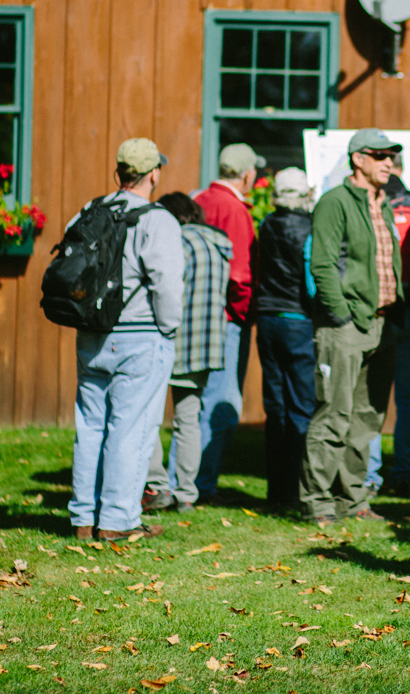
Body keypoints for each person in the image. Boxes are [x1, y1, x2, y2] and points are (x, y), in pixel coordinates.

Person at [68, 138, 182, 540]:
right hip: (141, 336)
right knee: (130, 430)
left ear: (118, 173)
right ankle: (117, 522)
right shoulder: (158, 219)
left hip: (92, 336)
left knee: (91, 428)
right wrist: (168, 328)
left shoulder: (88, 212)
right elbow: (167, 285)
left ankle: (83, 518)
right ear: (154, 173)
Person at [300, 128, 403, 524]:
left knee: (366, 418)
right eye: (380, 155)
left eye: (391, 156)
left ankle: (352, 499)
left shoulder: (385, 204)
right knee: (334, 412)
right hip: (345, 325)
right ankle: (317, 500)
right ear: (358, 159)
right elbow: (322, 264)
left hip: (381, 323)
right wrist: (340, 313)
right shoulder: (334, 202)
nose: (388, 162)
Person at [141, 191, 233, 514]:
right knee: (188, 419)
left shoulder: (177, 242)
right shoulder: (219, 245)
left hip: (170, 338)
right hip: (205, 346)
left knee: (147, 416)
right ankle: (187, 493)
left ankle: (156, 486)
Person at [192, 142, 264, 503]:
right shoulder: (234, 209)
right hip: (226, 318)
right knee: (222, 401)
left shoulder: (200, 199)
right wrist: (243, 313)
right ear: (248, 174)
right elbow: (240, 276)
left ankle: (184, 479)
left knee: (194, 401)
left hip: (197, 315)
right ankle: (202, 483)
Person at [250, 168, 317, 510]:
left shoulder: (266, 224)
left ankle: (275, 491)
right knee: (302, 407)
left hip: (267, 318)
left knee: (275, 407)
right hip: (297, 321)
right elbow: (310, 283)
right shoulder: (308, 228)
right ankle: (297, 491)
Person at [365, 154, 410, 497]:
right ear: (403, 169)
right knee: (409, 398)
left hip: (379, 310)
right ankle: (405, 472)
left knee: (373, 395)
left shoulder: (372, 204)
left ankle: (369, 474)